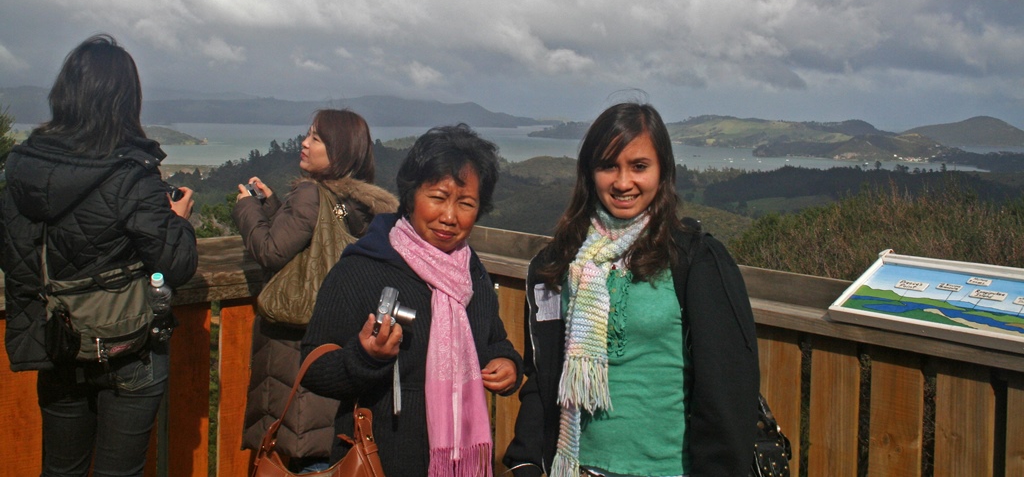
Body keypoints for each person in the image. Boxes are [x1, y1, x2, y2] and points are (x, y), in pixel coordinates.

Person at [502, 103, 760, 477]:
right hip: (576, 467)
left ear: (663, 172)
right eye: (608, 166)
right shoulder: (559, 263)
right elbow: (544, 374)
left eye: (639, 166)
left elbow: (727, 387)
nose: (623, 183)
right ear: (590, 173)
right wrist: (525, 460)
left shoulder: (695, 259)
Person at [1, 34, 198, 476]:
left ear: (65, 94)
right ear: (126, 100)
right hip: (130, 347)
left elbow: (14, 253)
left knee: (60, 469)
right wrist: (178, 219)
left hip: (58, 341)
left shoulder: (23, 167)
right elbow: (178, 264)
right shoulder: (130, 172)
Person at [301, 123, 524, 477]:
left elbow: (493, 340)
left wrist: (507, 364)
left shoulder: (472, 275)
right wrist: (364, 358)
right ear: (410, 196)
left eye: (466, 203)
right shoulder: (363, 269)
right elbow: (312, 368)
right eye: (437, 197)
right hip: (381, 459)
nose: (449, 217)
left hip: (458, 463)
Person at [233, 108, 399, 472]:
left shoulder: (311, 194)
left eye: (316, 138)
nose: (304, 144)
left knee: (298, 453)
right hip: (344, 340)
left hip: (295, 345)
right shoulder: (363, 205)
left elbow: (271, 250)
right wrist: (277, 207)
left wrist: (247, 209)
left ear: (338, 151)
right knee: (326, 449)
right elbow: (322, 239)